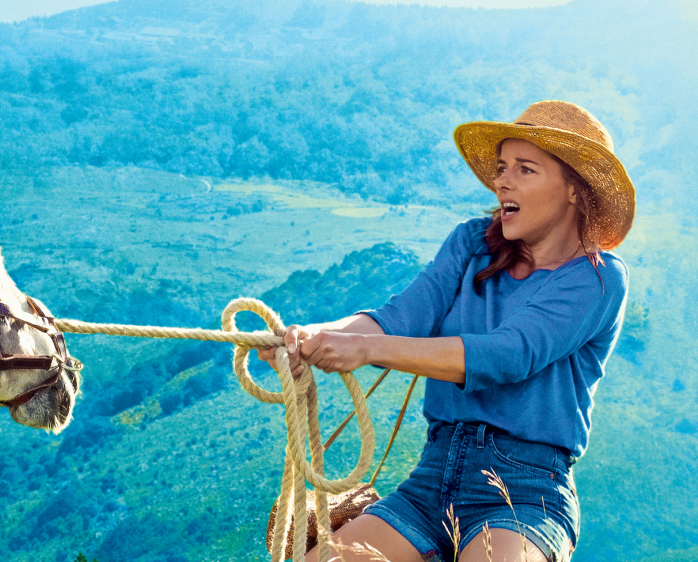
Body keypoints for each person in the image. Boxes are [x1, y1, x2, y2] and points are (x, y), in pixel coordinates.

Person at [261, 101, 635, 562]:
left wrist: (363, 347)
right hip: (432, 477)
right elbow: (400, 316)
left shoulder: (598, 277)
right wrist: (315, 335)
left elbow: (508, 354)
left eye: (526, 169)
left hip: (526, 494)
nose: (503, 181)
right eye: (502, 168)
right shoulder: (471, 242)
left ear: (575, 189)